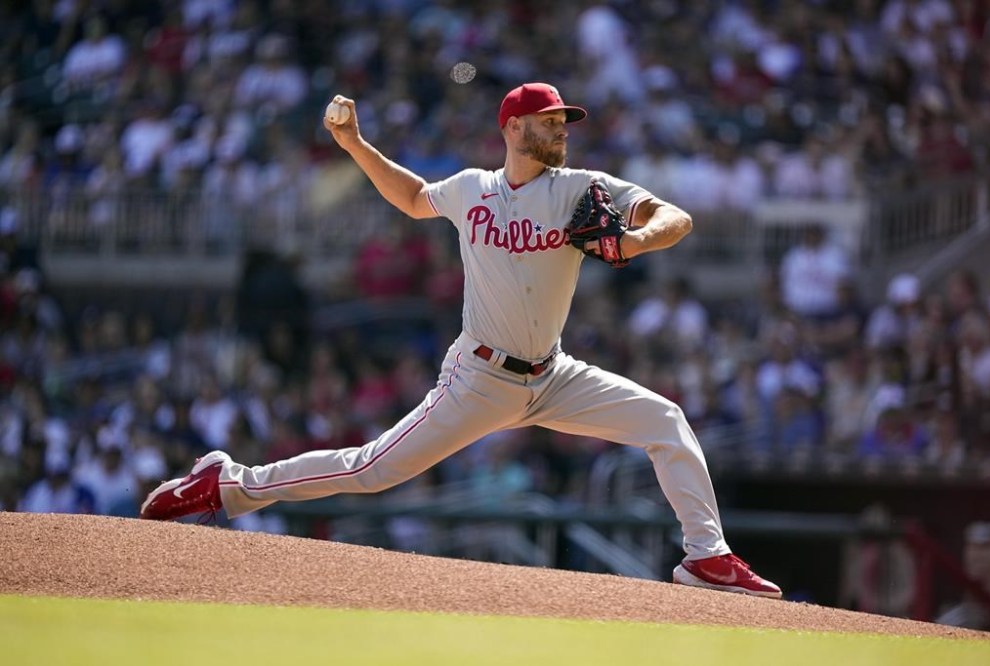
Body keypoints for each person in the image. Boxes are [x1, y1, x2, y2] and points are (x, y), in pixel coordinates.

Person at [140, 82, 782, 598]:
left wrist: (637, 239)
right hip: (480, 378)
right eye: (550, 119)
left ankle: (707, 557)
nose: (562, 128)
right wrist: (355, 144)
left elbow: (678, 217)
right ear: (513, 128)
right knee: (371, 471)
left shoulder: (581, 189)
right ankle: (229, 482)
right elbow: (415, 197)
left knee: (665, 420)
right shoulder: (472, 189)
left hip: (553, 376)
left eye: (564, 120)